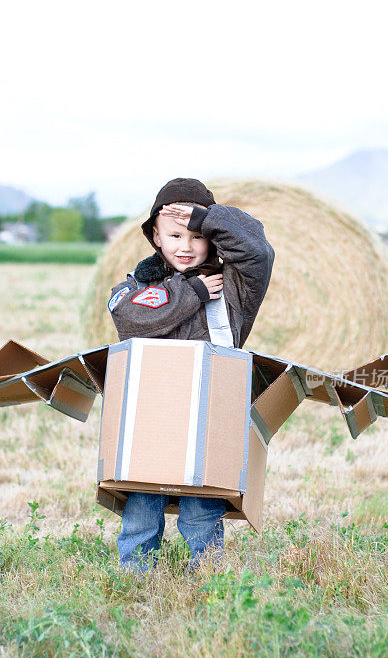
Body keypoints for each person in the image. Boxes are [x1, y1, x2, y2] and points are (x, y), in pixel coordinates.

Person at [108, 177, 275, 572]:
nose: (186, 246)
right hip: (152, 421)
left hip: (208, 420)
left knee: (201, 512)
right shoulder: (134, 287)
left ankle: (208, 578)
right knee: (141, 510)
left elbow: (258, 252)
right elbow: (130, 317)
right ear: (155, 236)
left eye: (198, 236)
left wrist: (210, 217)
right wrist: (192, 293)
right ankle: (135, 579)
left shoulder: (235, 287)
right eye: (175, 235)